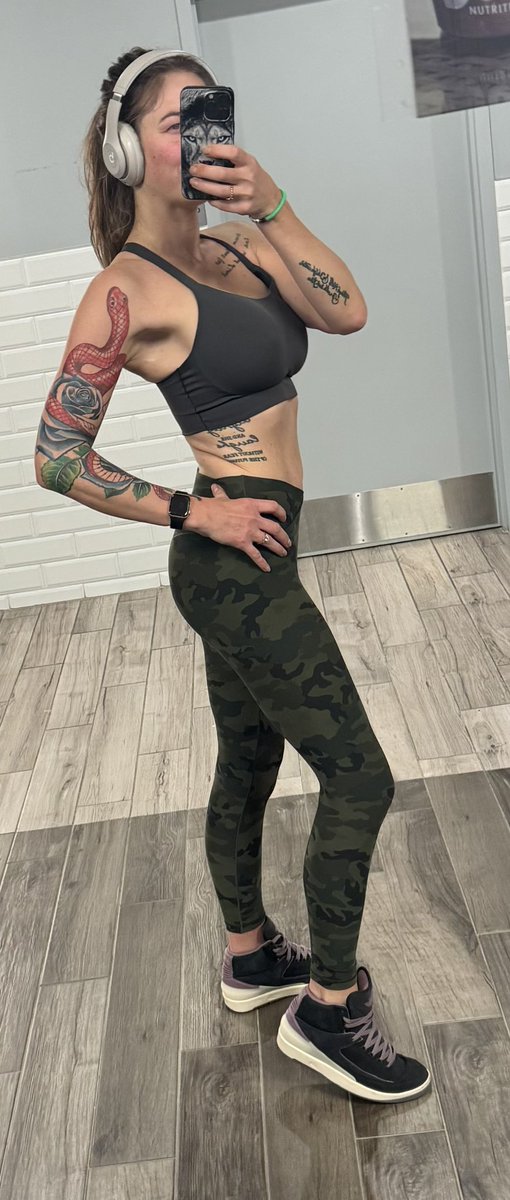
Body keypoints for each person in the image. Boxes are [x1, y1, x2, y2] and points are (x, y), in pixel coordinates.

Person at [34, 46, 430, 1104]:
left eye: (209, 112)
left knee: (249, 761)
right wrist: (191, 506)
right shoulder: (125, 290)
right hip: (230, 565)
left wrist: (274, 206)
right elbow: (57, 456)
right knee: (361, 777)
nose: (201, 135)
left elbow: (345, 312)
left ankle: (252, 956)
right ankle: (330, 1011)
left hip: (264, 547)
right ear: (126, 151)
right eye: (175, 121)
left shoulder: (238, 245)